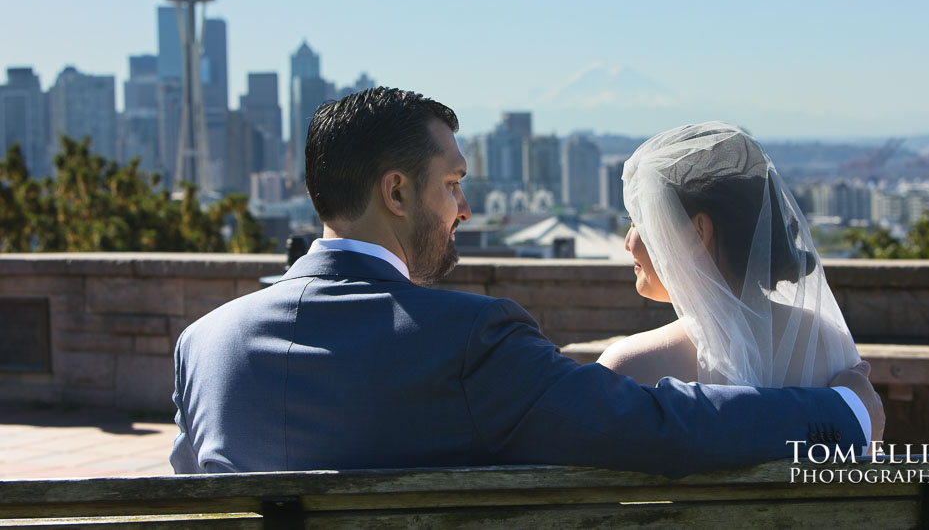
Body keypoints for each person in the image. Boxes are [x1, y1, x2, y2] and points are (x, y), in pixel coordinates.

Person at [170, 89, 882, 476]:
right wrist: (844, 413)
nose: (464, 209)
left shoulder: (203, 346)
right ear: (396, 192)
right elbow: (658, 427)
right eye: (452, 184)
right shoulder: (467, 343)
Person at [599, 122, 861, 391]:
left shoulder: (629, 367)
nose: (628, 244)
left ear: (699, 231)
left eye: (638, 222)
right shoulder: (829, 342)